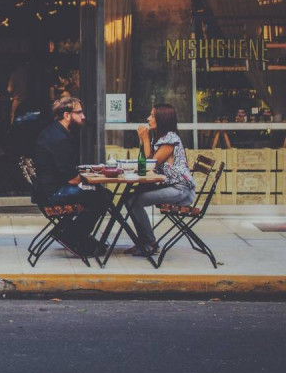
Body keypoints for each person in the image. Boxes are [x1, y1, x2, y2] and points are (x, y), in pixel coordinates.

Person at [32, 96, 112, 256]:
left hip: (48, 190)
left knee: (100, 194)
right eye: (79, 112)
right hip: (54, 193)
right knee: (102, 196)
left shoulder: (56, 132)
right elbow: (72, 179)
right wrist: (94, 177)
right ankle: (71, 236)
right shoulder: (59, 139)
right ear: (67, 115)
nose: (83, 116)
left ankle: (71, 232)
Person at [126, 103, 197, 256]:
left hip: (180, 189)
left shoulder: (170, 140)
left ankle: (149, 242)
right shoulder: (161, 138)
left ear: (162, 119)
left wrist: (144, 139)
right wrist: (145, 140)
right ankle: (143, 241)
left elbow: (150, 164)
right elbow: (146, 162)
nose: (148, 118)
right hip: (171, 186)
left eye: (152, 116)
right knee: (131, 197)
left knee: (133, 201)